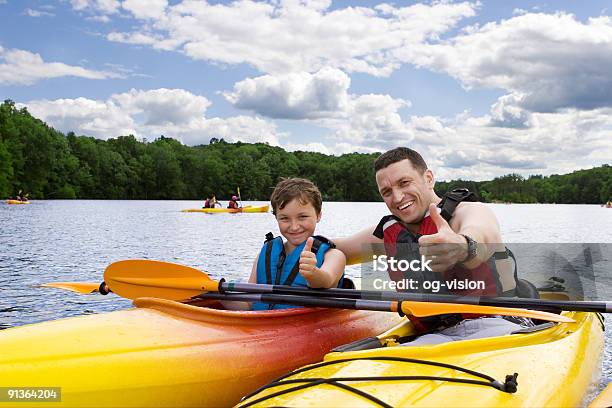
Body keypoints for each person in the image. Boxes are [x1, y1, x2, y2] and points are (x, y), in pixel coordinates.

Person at [334, 147, 532, 345]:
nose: (397, 197)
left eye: (404, 183)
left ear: (428, 178)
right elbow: (337, 248)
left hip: (498, 326)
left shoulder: (469, 211)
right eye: (387, 192)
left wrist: (462, 247)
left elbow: (482, 236)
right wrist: (304, 230)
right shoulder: (388, 233)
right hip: (434, 337)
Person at [248, 178, 347, 310]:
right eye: (284, 218)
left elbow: (327, 279)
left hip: (310, 326)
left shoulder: (334, 256)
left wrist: (313, 273)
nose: (294, 227)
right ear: (276, 218)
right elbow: (248, 302)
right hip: (262, 325)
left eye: (302, 217)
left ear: (318, 215)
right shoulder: (264, 254)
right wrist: (216, 293)